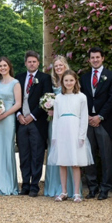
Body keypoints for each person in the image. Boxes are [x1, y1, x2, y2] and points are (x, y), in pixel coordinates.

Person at [79, 47, 112, 200]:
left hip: (104, 122)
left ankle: (105, 188)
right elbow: (81, 98)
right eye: (92, 57)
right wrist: (88, 116)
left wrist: (100, 116)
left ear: (103, 58)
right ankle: (92, 187)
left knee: (106, 156)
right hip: (88, 121)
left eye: (97, 57)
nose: (95, 60)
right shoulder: (84, 78)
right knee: (89, 156)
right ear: (89, 60)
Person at [48, 70, 93, 202]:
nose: (68, 83)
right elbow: (55, 119)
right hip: (62, 130)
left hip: (75, 130)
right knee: (62, 162)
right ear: (62, 82)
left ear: (75, 81)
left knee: (75, 162)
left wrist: (82, 135)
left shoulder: (81, 97)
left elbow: (84, 117)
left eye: (71, 80)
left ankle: (77, 192)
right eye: (66, 80)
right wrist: (54, 136)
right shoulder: (58, 98)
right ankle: (63, 191)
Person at [15, 50, 53, 197]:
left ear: (38, 63)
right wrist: (19, 115)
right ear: (26, 63)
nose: (31, 64)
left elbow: (46, 99)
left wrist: (32, 115)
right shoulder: (19, 78)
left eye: (34, 61)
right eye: (29, 61)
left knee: (37, 154)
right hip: (21, 121)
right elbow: (15, 100)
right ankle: (25, 184)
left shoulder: (45, 78)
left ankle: (34, 186)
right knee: (24, 154)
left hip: (37, 122)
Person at [0, 57, 22, 195]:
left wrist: (5, 115)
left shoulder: (15, 83)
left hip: (7, 119)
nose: (2, 68)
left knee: (6, 149)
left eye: (5, 65)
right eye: (0, 66)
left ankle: (7, 185)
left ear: (9, 67)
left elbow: (18, 103)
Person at [43, 55, 75, 198]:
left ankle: (71, 187)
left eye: (60, 65)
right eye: (56, 66)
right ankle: (56, 187)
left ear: (65, 65)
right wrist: (48, 107)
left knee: (69, 149)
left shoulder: (70, 80)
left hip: (69, 122)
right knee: (55, 149)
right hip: (54, 122)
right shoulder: (51, 82)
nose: (58, 68)